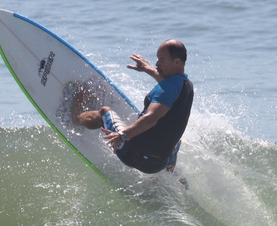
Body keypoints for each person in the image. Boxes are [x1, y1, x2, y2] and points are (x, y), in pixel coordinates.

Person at [72, 39, 194, 174]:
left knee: (104, 111)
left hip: (133, 155)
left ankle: (76, 118)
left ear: (176, 62)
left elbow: (152, 117)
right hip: (157, 164)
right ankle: (171, 173)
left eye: (162, 60)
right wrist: (148, 69)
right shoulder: (185, 85)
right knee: (176, 141)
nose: (157, 63)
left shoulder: (168, 88)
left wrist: (122, 136)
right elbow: (167, 85)